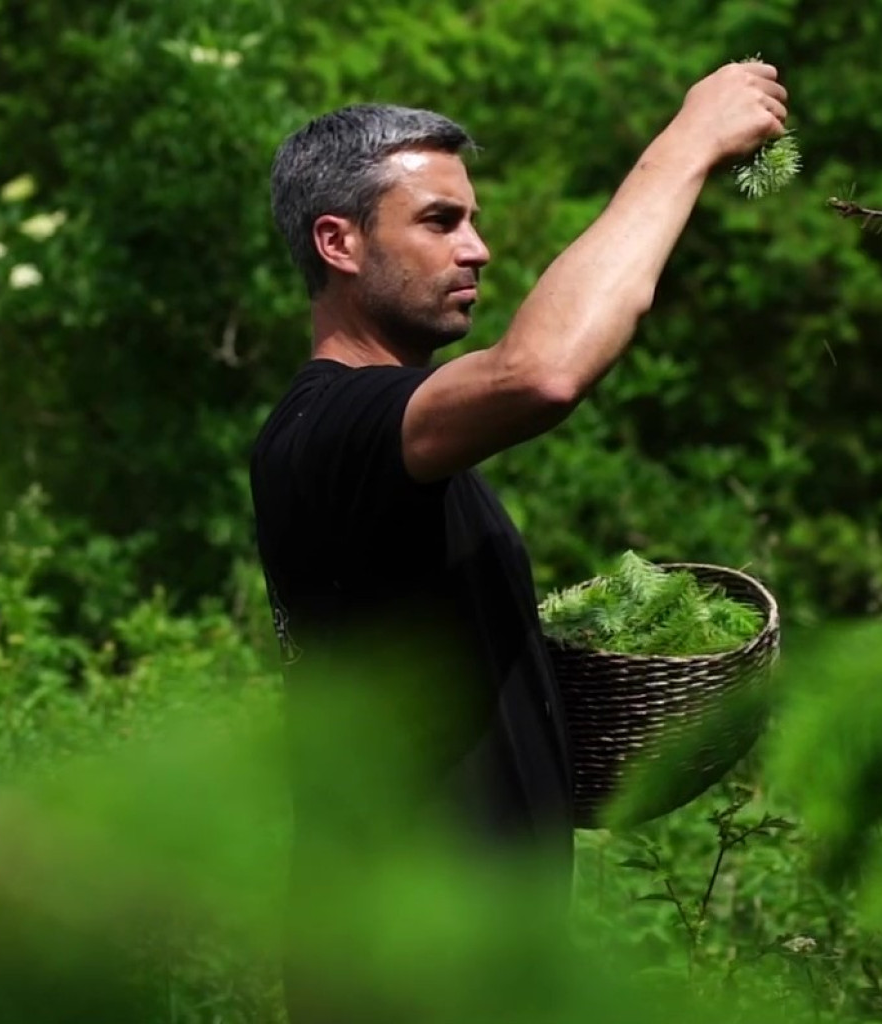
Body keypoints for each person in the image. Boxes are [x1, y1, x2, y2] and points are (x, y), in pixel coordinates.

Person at [247, 61, 790, 1022]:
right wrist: (685, 143)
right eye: (439, 221)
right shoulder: (330, 431)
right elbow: (541, 372)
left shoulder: (408, 463)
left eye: (473, 219)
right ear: (337, 242)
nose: (479, 250)